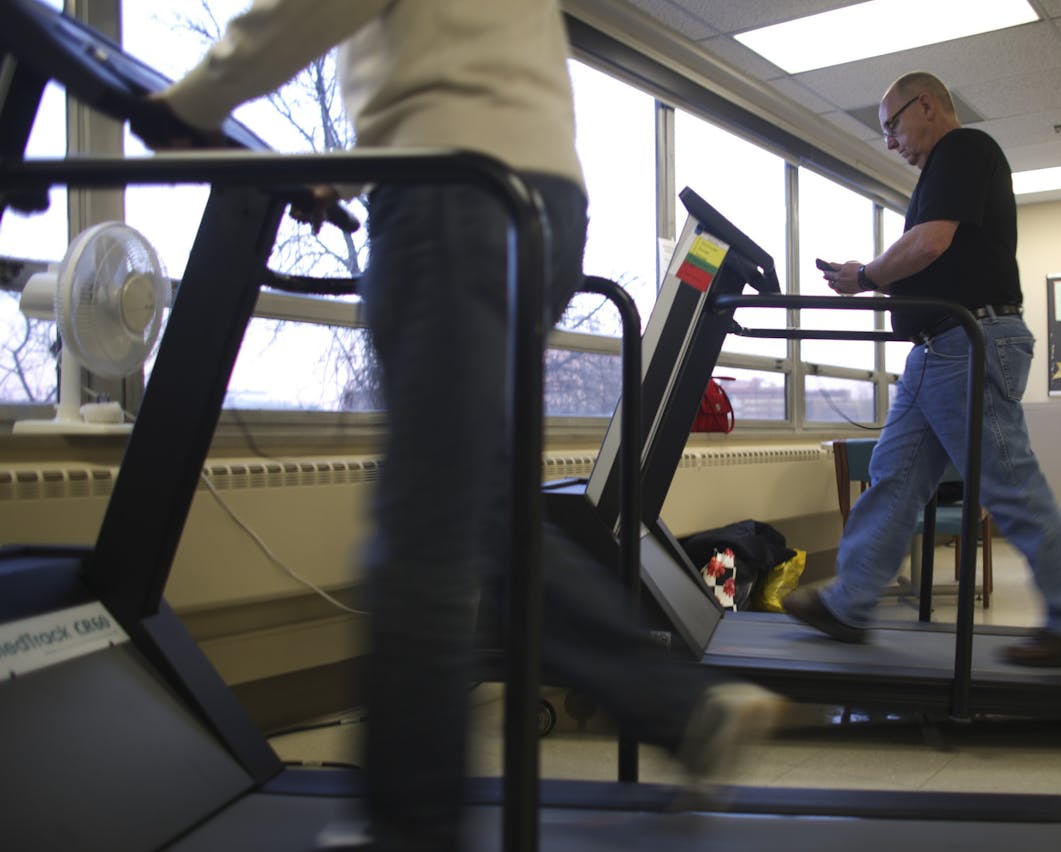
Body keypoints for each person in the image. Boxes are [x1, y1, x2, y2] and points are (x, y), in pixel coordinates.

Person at [133, 2, 785, 850]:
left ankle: (410, 824)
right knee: (489, 512)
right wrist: (349, 170)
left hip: (451, 195)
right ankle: (686, 715)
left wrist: (194, 101)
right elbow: (454, 57)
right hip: (534, 200)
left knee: (423, 527)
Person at [784, 71, 1061, 668]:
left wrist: (867, 276)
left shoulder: (963, 149)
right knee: (895, 478)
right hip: (938, 350)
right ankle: (850, 603)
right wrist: (876, 278)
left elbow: (930, 244)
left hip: (966, 342)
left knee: (1009, 483)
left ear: (925, 105)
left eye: (891, 125)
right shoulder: (942, 171)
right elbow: (934, 252)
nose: (889, 142)